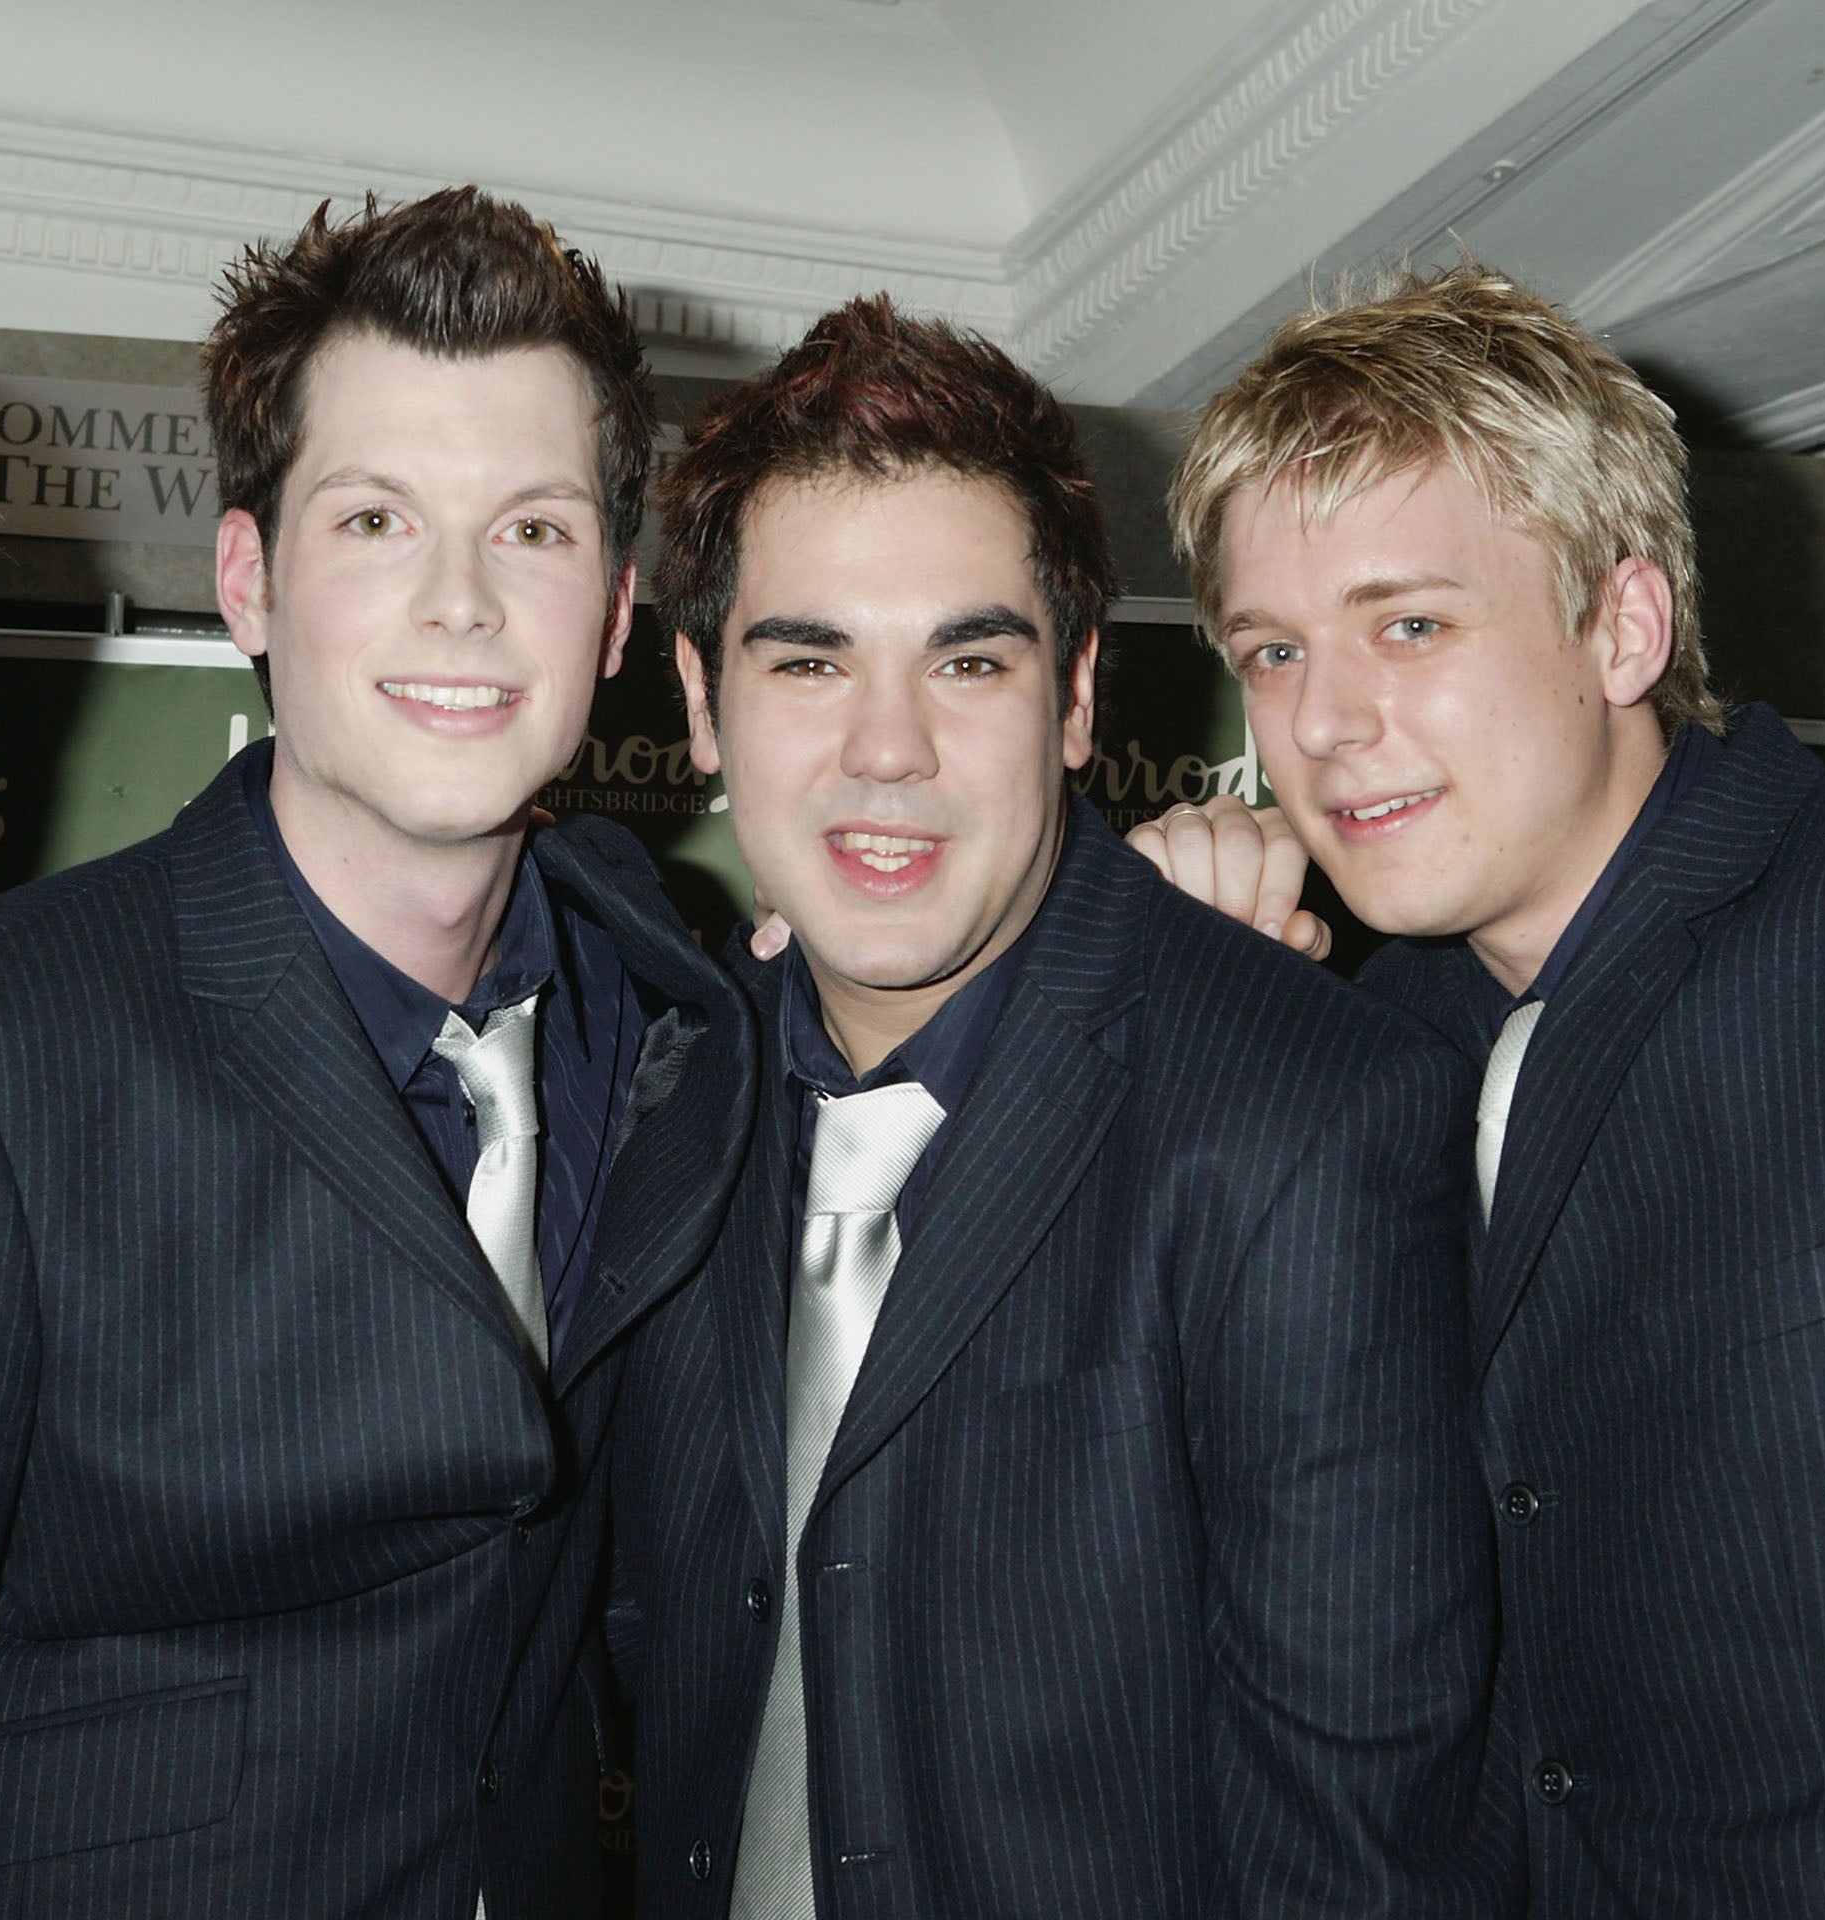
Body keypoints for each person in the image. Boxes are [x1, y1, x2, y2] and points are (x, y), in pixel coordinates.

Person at [0, 188, 754, 1918]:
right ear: (248, 577)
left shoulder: (678, 1004)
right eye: (379, 518)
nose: (464, 604)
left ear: (617, 612)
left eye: (535, 533)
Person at [1168, 263, 1825, 1912]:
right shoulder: (1342, 1048)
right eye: (1270, 653)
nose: (1324, 722)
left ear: (1624, 625)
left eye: (1409, 624)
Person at [605, 295, 1503, 1920]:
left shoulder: (1307, 1112)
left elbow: (1366, 1843)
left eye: (968, 660)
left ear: (1079, 697)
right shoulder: (661, 1083)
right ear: (696, 701)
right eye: (810, 661)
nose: (889, 751)